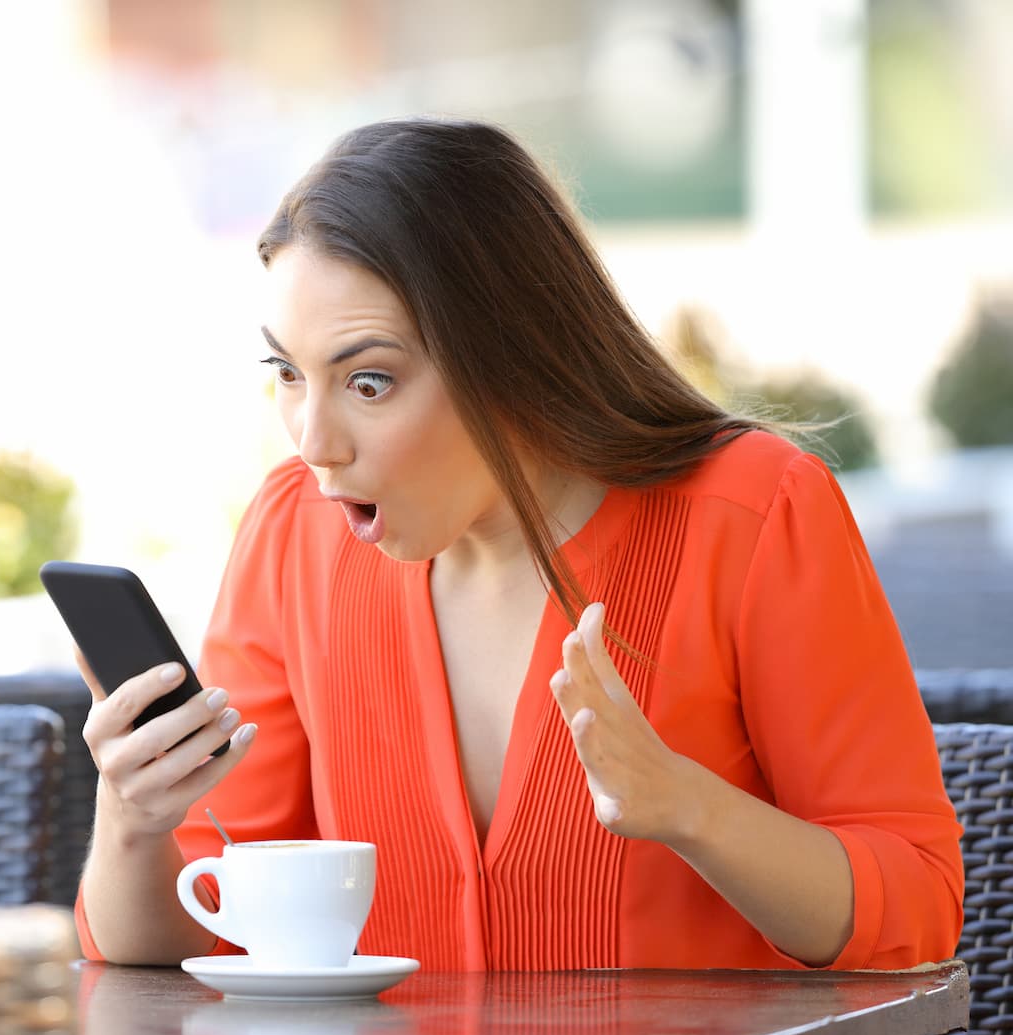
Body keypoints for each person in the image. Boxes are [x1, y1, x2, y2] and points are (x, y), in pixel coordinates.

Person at [73, 117, 963, 971]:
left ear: (512, 355)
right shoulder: (292, 535)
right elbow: (202, 934)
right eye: (289, 375)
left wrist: (689, 806)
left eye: (370, 382)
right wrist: (133, 818)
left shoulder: (757, 512)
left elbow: (918, 909)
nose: (314, 441)